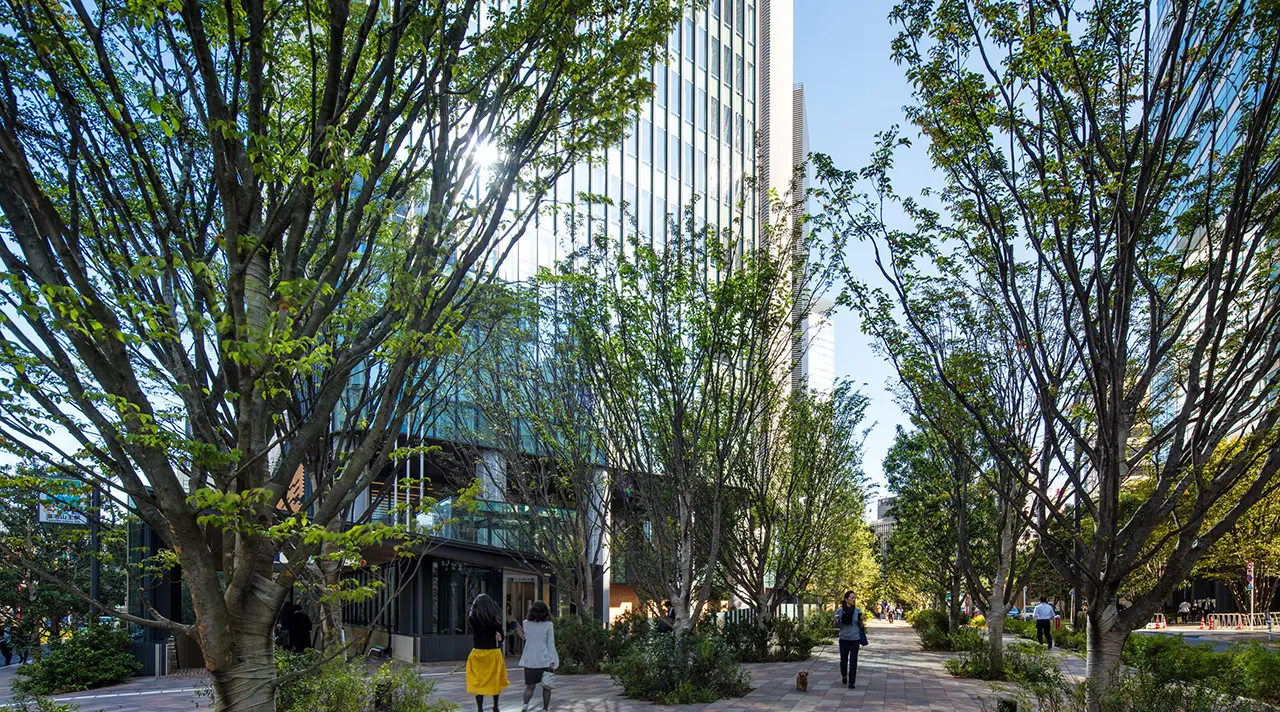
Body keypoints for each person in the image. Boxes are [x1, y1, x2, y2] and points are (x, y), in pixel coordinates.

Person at [466, 594, 509, 712]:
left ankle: (480, 708)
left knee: (478, 682)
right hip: (493, 653)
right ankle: (495, 706)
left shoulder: (472, 619)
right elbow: (502, 637)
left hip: (477, 653)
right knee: (495, 679)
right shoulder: (494, 619)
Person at [518, 601, 559, 712]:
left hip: (529, 659)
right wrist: (552, 660)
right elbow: (550, 644)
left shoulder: (526, 623)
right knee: (546, 686)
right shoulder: (548, 625)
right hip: (544, 659)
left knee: (530, 686)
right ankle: (545, 709)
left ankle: (525, 705)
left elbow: (527, 637)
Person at [833, 591, 866, 689]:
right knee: (843, 662)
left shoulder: (857, 611)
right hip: (844, 639)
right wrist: (836, 621)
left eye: (854, 598)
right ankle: (844, 675)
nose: (854, 599)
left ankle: (852, 682)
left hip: (855, 639)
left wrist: (861, 621)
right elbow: (837, 626)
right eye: (852, 598)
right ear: (846, 599)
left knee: (853, 661)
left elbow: (860, 626)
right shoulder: (840, 611)